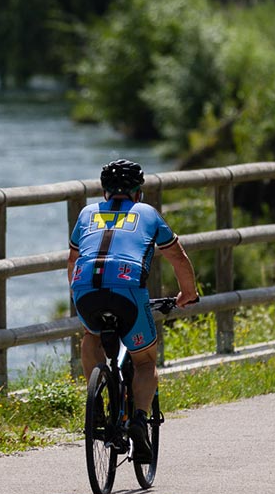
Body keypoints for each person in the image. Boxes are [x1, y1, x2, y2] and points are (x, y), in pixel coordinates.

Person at [68, 158, 199, 464]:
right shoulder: (147, 214)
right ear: (138, 191)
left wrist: (79, 294)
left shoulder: (87, 213)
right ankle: (139, 420)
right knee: (145, 361)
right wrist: (188, 294)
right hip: (127, 291)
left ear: (104, 192)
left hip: (84, 290)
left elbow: (73, 261)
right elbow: (177, 257)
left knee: (92, 337)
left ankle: (97, 407)